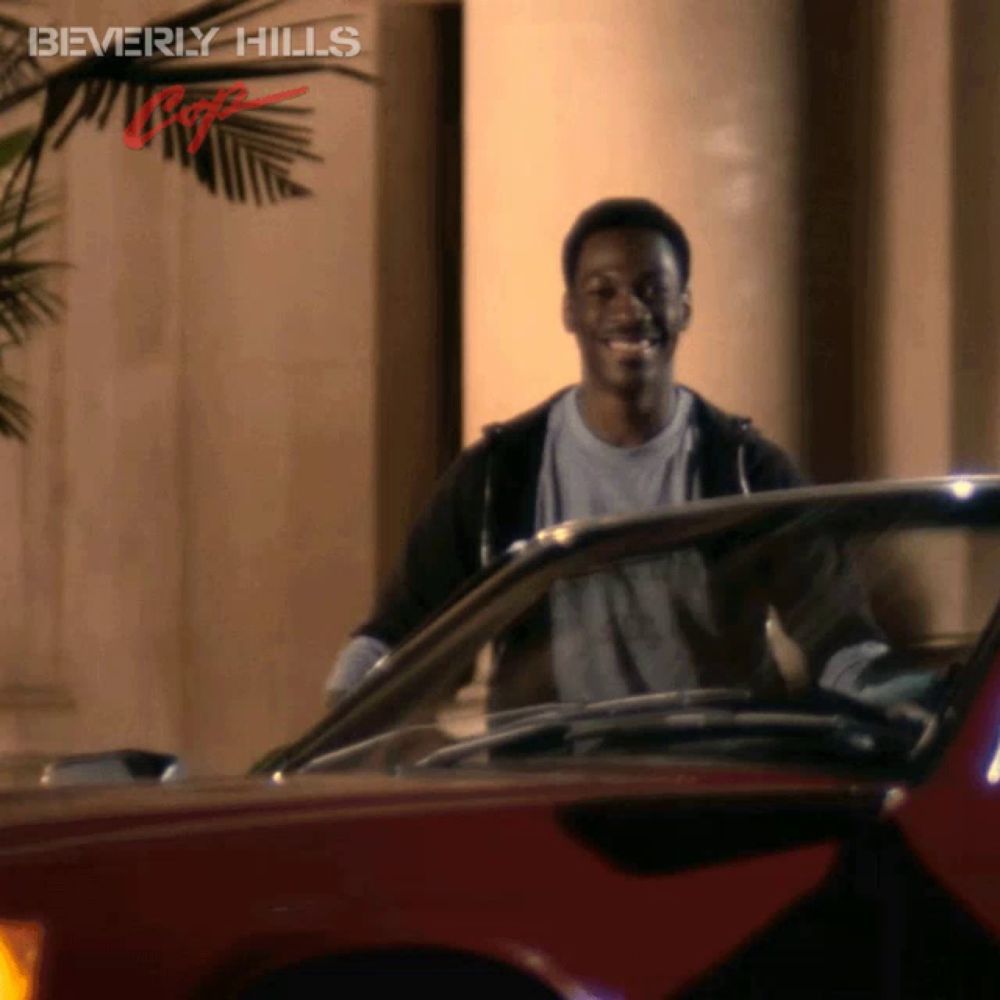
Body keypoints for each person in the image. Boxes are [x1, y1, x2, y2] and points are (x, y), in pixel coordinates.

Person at [325, 197, 904, 711]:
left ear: (685, 307)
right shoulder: (499, 475)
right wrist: (335, 723)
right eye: (602, 291)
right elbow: (398, 635)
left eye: (652, 289)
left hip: (717, 781)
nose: (629, 311)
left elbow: (839, 635)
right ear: (570, 311)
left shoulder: (746, 469)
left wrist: (900, 702)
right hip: (546, 788)